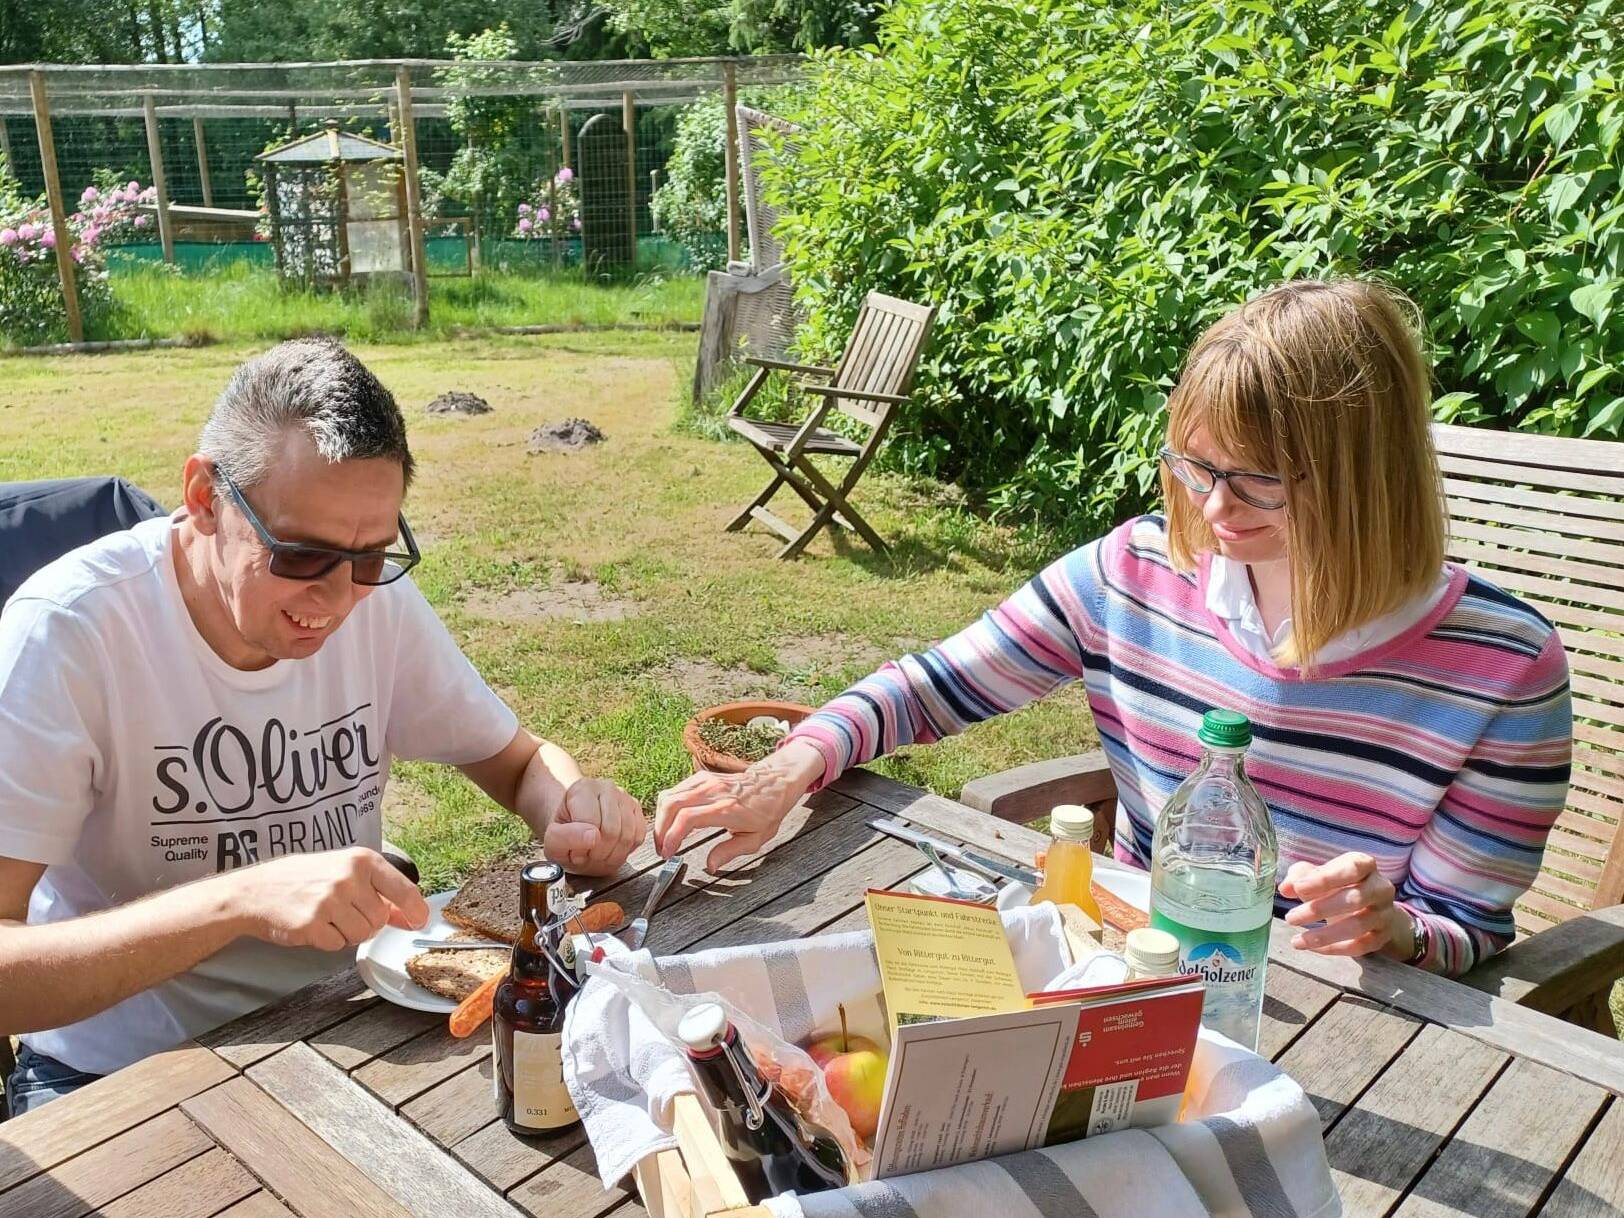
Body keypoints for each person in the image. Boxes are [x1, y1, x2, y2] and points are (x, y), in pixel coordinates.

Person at [657, 278, 1573, 978]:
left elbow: (1471, 929)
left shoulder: (1505, 667)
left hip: (1352, 1017)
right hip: (1136, 968)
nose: (1214, 507)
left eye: (1259, 479)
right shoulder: (1135, 572)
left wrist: (1396, 926)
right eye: (1194, 465)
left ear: (1368, 475)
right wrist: (790, 766)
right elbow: (936, 685)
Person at [0, 338, 645, 1114]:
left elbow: (516, 761)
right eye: (301, 555)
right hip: (125, 1073)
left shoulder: (376, 604)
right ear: (206, 499)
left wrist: (571, 805)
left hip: (349, 1023)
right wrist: (237, 902)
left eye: (372, 557)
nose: (338, 600)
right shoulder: (68, 632)